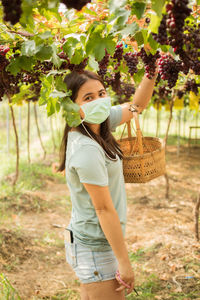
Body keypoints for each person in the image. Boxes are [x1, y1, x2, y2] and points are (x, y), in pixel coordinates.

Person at [57, 69, 157, 300]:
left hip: (92, 241)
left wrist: (152, 70)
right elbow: (103, 209)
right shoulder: (87, 149)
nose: (99, 101)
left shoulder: (96, 124)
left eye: (101, 93)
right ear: (71, 107)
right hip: (94, 247)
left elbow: (136, 107)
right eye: (88, 98)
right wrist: (124, 262)